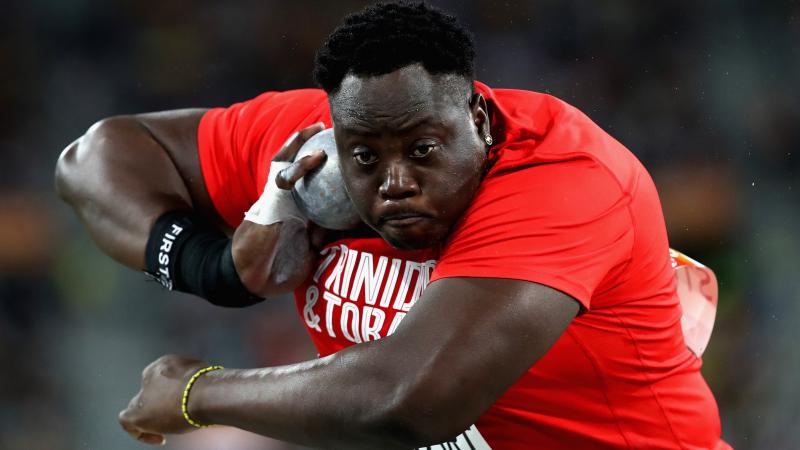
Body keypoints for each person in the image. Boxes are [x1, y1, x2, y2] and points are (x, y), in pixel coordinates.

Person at [55, 2, 729, 449]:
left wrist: (198, 392)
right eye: (367, 158)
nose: (395, 181)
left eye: (424, 150)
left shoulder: (562, 180)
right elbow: (95, 158)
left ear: (480, 121)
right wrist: (222, 269)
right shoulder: (308, 154)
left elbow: (412, 398)